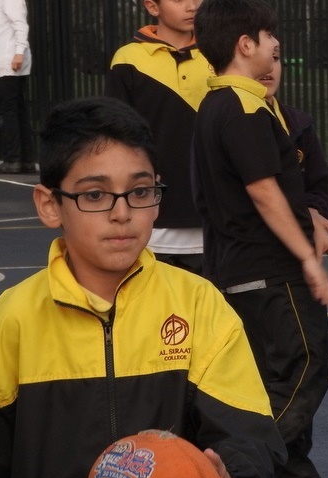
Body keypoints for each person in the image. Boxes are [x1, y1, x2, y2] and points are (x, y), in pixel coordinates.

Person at [0, 95, 287, 478]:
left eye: (140, 191)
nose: (122, 213)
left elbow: (250, 439)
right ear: (50, 204)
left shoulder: (199, 306)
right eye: (95, 195)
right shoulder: (16, 321)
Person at [191, 1, 328, 478]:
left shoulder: (217, 106)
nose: (274, 52)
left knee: (272, 386)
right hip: (269, 271)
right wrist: (306, 257)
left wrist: (311, 221)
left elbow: (261, 187)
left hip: (240, 271)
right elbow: (261, 191)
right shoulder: (244, 108)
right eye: (269, 42)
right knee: (306, 371)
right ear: (245, 44)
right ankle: (224, 474)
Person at [105, 0, 212, 274]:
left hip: (212, 220)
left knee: (209, 312)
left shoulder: (218, 54)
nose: (192, 6)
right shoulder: (128, 59)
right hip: (151, 222)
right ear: (152, 7)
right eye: (178, 0)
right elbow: (116, 136)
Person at [258, 47, 328, 253]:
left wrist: (313, 212)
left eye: (276, 59)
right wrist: (301, 213)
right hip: (254, 253)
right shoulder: (231, 119)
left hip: (295, 253)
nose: (269, 67)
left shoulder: (300, 124)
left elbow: (321, 188)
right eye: (262, 58)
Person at [0, 0, 36, 174]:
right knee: (18, 110)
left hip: (9, 62)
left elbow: (20, 26)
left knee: (8, 111)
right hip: (4, 61)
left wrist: (18, 52)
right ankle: (26, 159)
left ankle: (13, 159)